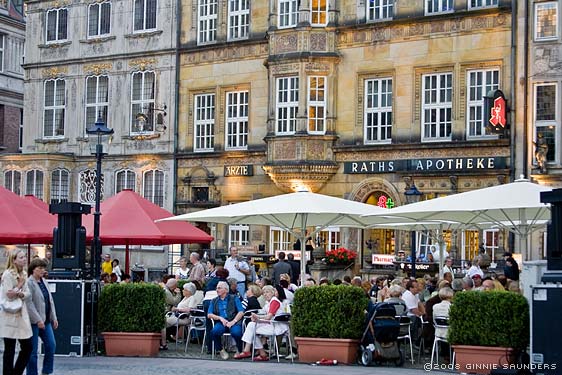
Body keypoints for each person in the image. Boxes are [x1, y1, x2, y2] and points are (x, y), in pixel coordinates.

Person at [234, 285, 289, 361]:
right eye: (264, 293)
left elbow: (269, 316)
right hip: (271, 324)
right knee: (252, 326)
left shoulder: (274, 301)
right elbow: (262, 313)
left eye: (267, 292)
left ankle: (248, 350)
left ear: (272, 293)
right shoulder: (269, 303)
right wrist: (256, 317)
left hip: (277, 326)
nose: (265, 294)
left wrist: (257, 317)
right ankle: (260, 353)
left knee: (251, 327)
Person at [0, 249, 33, 375]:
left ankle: (16, 372)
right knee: (10, 349)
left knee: (27, 346)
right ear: (14, 260)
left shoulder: (24, 274)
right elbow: (8, 295)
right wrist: (19, 287)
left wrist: (19, 293)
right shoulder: (8, 274)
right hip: (10, 315)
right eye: (21, 257)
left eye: (24, 257)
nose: (24, 259)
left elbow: (28, 294)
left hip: (21, 315)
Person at [26, 258, 58, 375]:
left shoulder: (44, 281)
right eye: (39, 268)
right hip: (33, 322)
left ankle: (47, 371)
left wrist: (54, 317)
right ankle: (32, 373)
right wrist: (37, 319)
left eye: (43, 268)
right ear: (33, 270)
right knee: (32, 351)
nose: (42, 270)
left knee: (51, 345)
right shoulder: (29, 283)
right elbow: (28, 304)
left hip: (46, 320)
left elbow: (50, 300)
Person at [207, 281, 244, 360]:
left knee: (236, 333)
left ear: (226, 290)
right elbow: (209, 314)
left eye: (219, 288)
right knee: (214, 332)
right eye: (216, 288)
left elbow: (241, 311)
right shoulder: (214, 300)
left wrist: (233, 321)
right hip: (221, 322)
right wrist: (220, 318)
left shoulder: (234, 298)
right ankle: (221, 349)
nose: (217, 290)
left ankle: (239, 349)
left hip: (234, 321)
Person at [160, 282, 203, 350]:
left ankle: (163, 343)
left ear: (189, 292)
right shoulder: (185, 298)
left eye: (184, 290)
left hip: (185, 318)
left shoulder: (192, 298)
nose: (183, 291)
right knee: (161, 322)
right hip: (178, 316)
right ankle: (163, 343)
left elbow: (189, 310)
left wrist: (177, 309)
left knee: (162, 323)